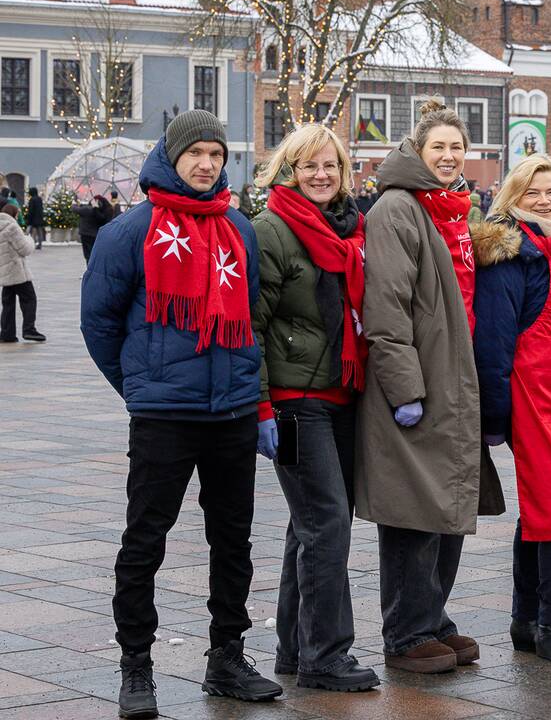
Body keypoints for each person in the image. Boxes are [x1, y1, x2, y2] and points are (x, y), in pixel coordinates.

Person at [80, 110, 282, 719]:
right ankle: (136, 665)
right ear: (171, 156)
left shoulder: (238, 228)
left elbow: (251, 311)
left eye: (215, 155)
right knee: (145, 539)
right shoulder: (130, 232)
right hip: (165, 416)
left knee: (234, 540)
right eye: (195, 153)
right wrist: (140, 387)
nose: (206, 164)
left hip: (232, 412)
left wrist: (250, 393)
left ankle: (227, 657)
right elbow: (98, 321)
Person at [357, 100, 505, 674]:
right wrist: (405, 390)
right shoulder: (398, 208)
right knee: (413, 507)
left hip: (456, 377)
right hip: (420, 381)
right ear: (418, 151)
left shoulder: (453, 209)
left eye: (456, 147)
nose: (449, 156)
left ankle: (432, 617)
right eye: (438, 147)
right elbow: (386, 308)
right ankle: (406, 632)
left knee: (449, 501)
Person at [250, 124, 379, 692]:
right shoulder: (271, 229)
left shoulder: (350, 228)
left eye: (330, 165)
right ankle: (326, 655)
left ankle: (294, 647)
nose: (321, 175)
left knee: (311, 525)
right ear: (290, 170)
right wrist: (260, 406)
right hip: (295, 401)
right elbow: (251, 325)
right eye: (309, 166)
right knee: (326, 524)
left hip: (342, 392)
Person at [473, 154, 551, 665]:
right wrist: (496, 416)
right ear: (513, 197)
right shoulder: (510, 254)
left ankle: (525, 619)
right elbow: (495, 341)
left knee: (544, 510)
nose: (544, 201)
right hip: (533, 396)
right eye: (533, 193)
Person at [0, 203, 44, 343]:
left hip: (4, 273)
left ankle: (7, 333)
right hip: (17, 272)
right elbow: (24, 249)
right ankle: (29, 329)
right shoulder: (12, 227)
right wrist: (29, 239)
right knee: (29, 299)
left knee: (8, 303)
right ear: (14, 214)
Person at [74, 194, 114, 262]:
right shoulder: (106, 210)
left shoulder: (92, 210)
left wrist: (74, 204)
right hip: (97, 234)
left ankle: (91, 265)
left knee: (89, 254)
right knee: (94, 253)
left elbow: (76, 209)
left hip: (88, 234)